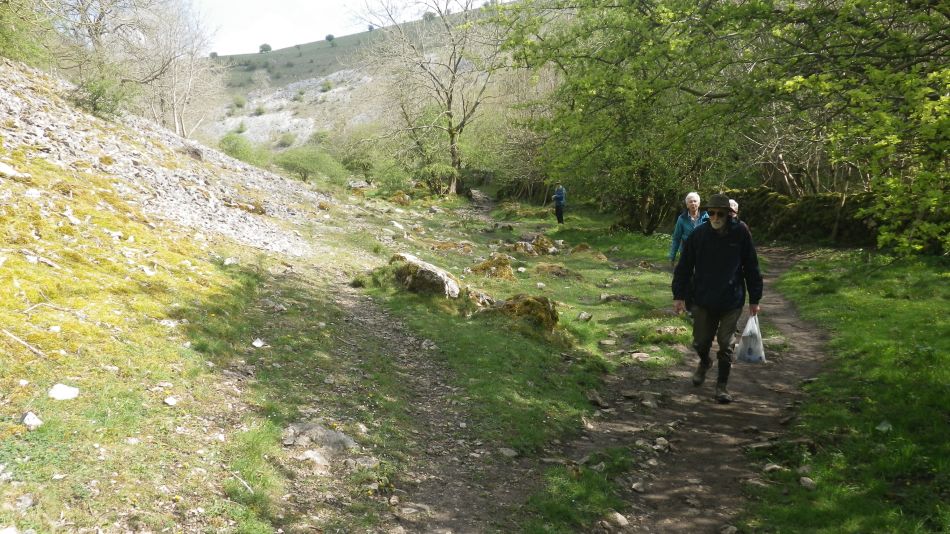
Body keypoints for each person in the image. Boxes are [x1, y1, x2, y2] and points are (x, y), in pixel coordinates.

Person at [672, 193, 762, 403]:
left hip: (732, 299)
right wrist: (679, 295)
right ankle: (704, 362)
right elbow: (684, 266)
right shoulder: (698, 235)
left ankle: (721, 386)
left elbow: (751, 266)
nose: (714, 217)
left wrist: (755, 299)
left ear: (729, 214)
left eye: (719, 213)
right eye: (711, 213)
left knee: (725, 343)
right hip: (702, 298)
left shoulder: (741, 233)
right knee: (700, 342)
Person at [669, 192, 708, 267]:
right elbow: (676, 238)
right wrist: (672, 257)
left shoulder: (706, 217)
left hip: (702, 252)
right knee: (686, 276)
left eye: (695, 201)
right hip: (686, 252)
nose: (693, 203)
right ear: (687, 205)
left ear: (699, 203)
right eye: (690, 202)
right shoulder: (682, 219)